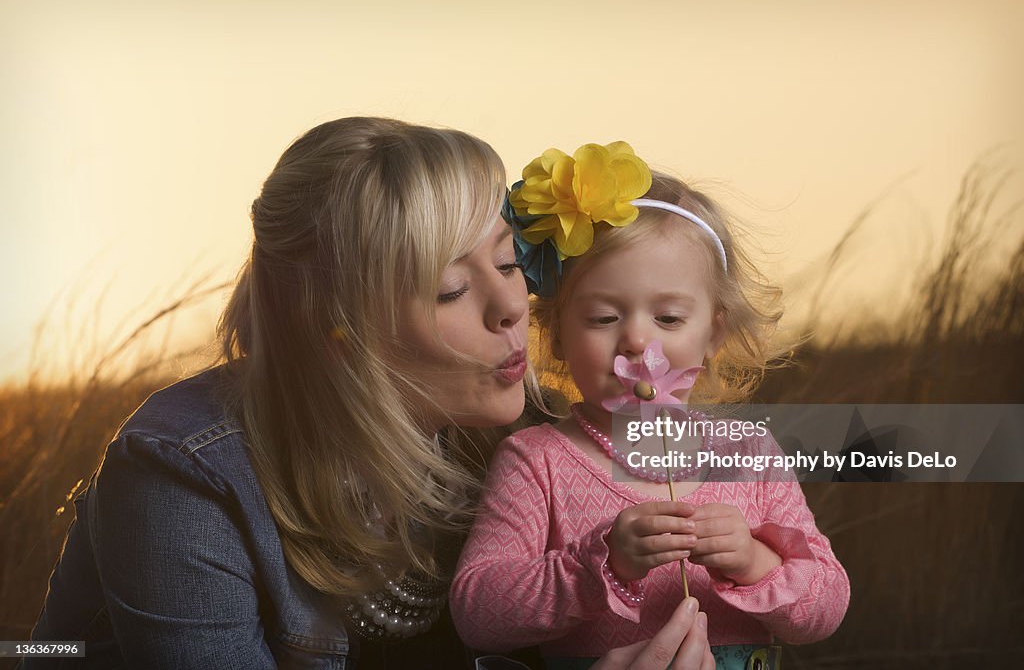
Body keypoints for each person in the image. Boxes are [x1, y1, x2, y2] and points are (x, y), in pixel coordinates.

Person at [22, 119, 715, 670]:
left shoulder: (526, 441)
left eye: (508, 261)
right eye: (449, 289)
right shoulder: (182, 475)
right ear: (342, 334)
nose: (509, 305)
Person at [449, 142, 851, 669]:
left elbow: (827, 608)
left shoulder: (750, 453)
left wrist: (755, 561)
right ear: (557, 336)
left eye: (668, 319)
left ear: (713, 334)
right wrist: (601, 564)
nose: (638, 341)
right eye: (602, 318)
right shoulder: (535, 461)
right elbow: (478, 614)